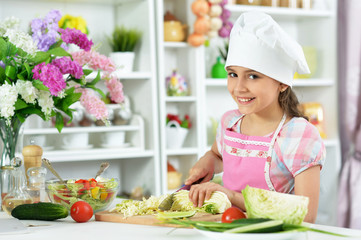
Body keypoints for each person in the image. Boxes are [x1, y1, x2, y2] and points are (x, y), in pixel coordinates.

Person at [184, 11, 325, 223]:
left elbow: (306, 216)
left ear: (282, 83)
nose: (239, 88)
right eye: (232, 74)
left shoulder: (299, 136)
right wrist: (207, 162)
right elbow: (218, 155)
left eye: (253, 76)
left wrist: (232, 197)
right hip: (227, 229)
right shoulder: (230, 123)